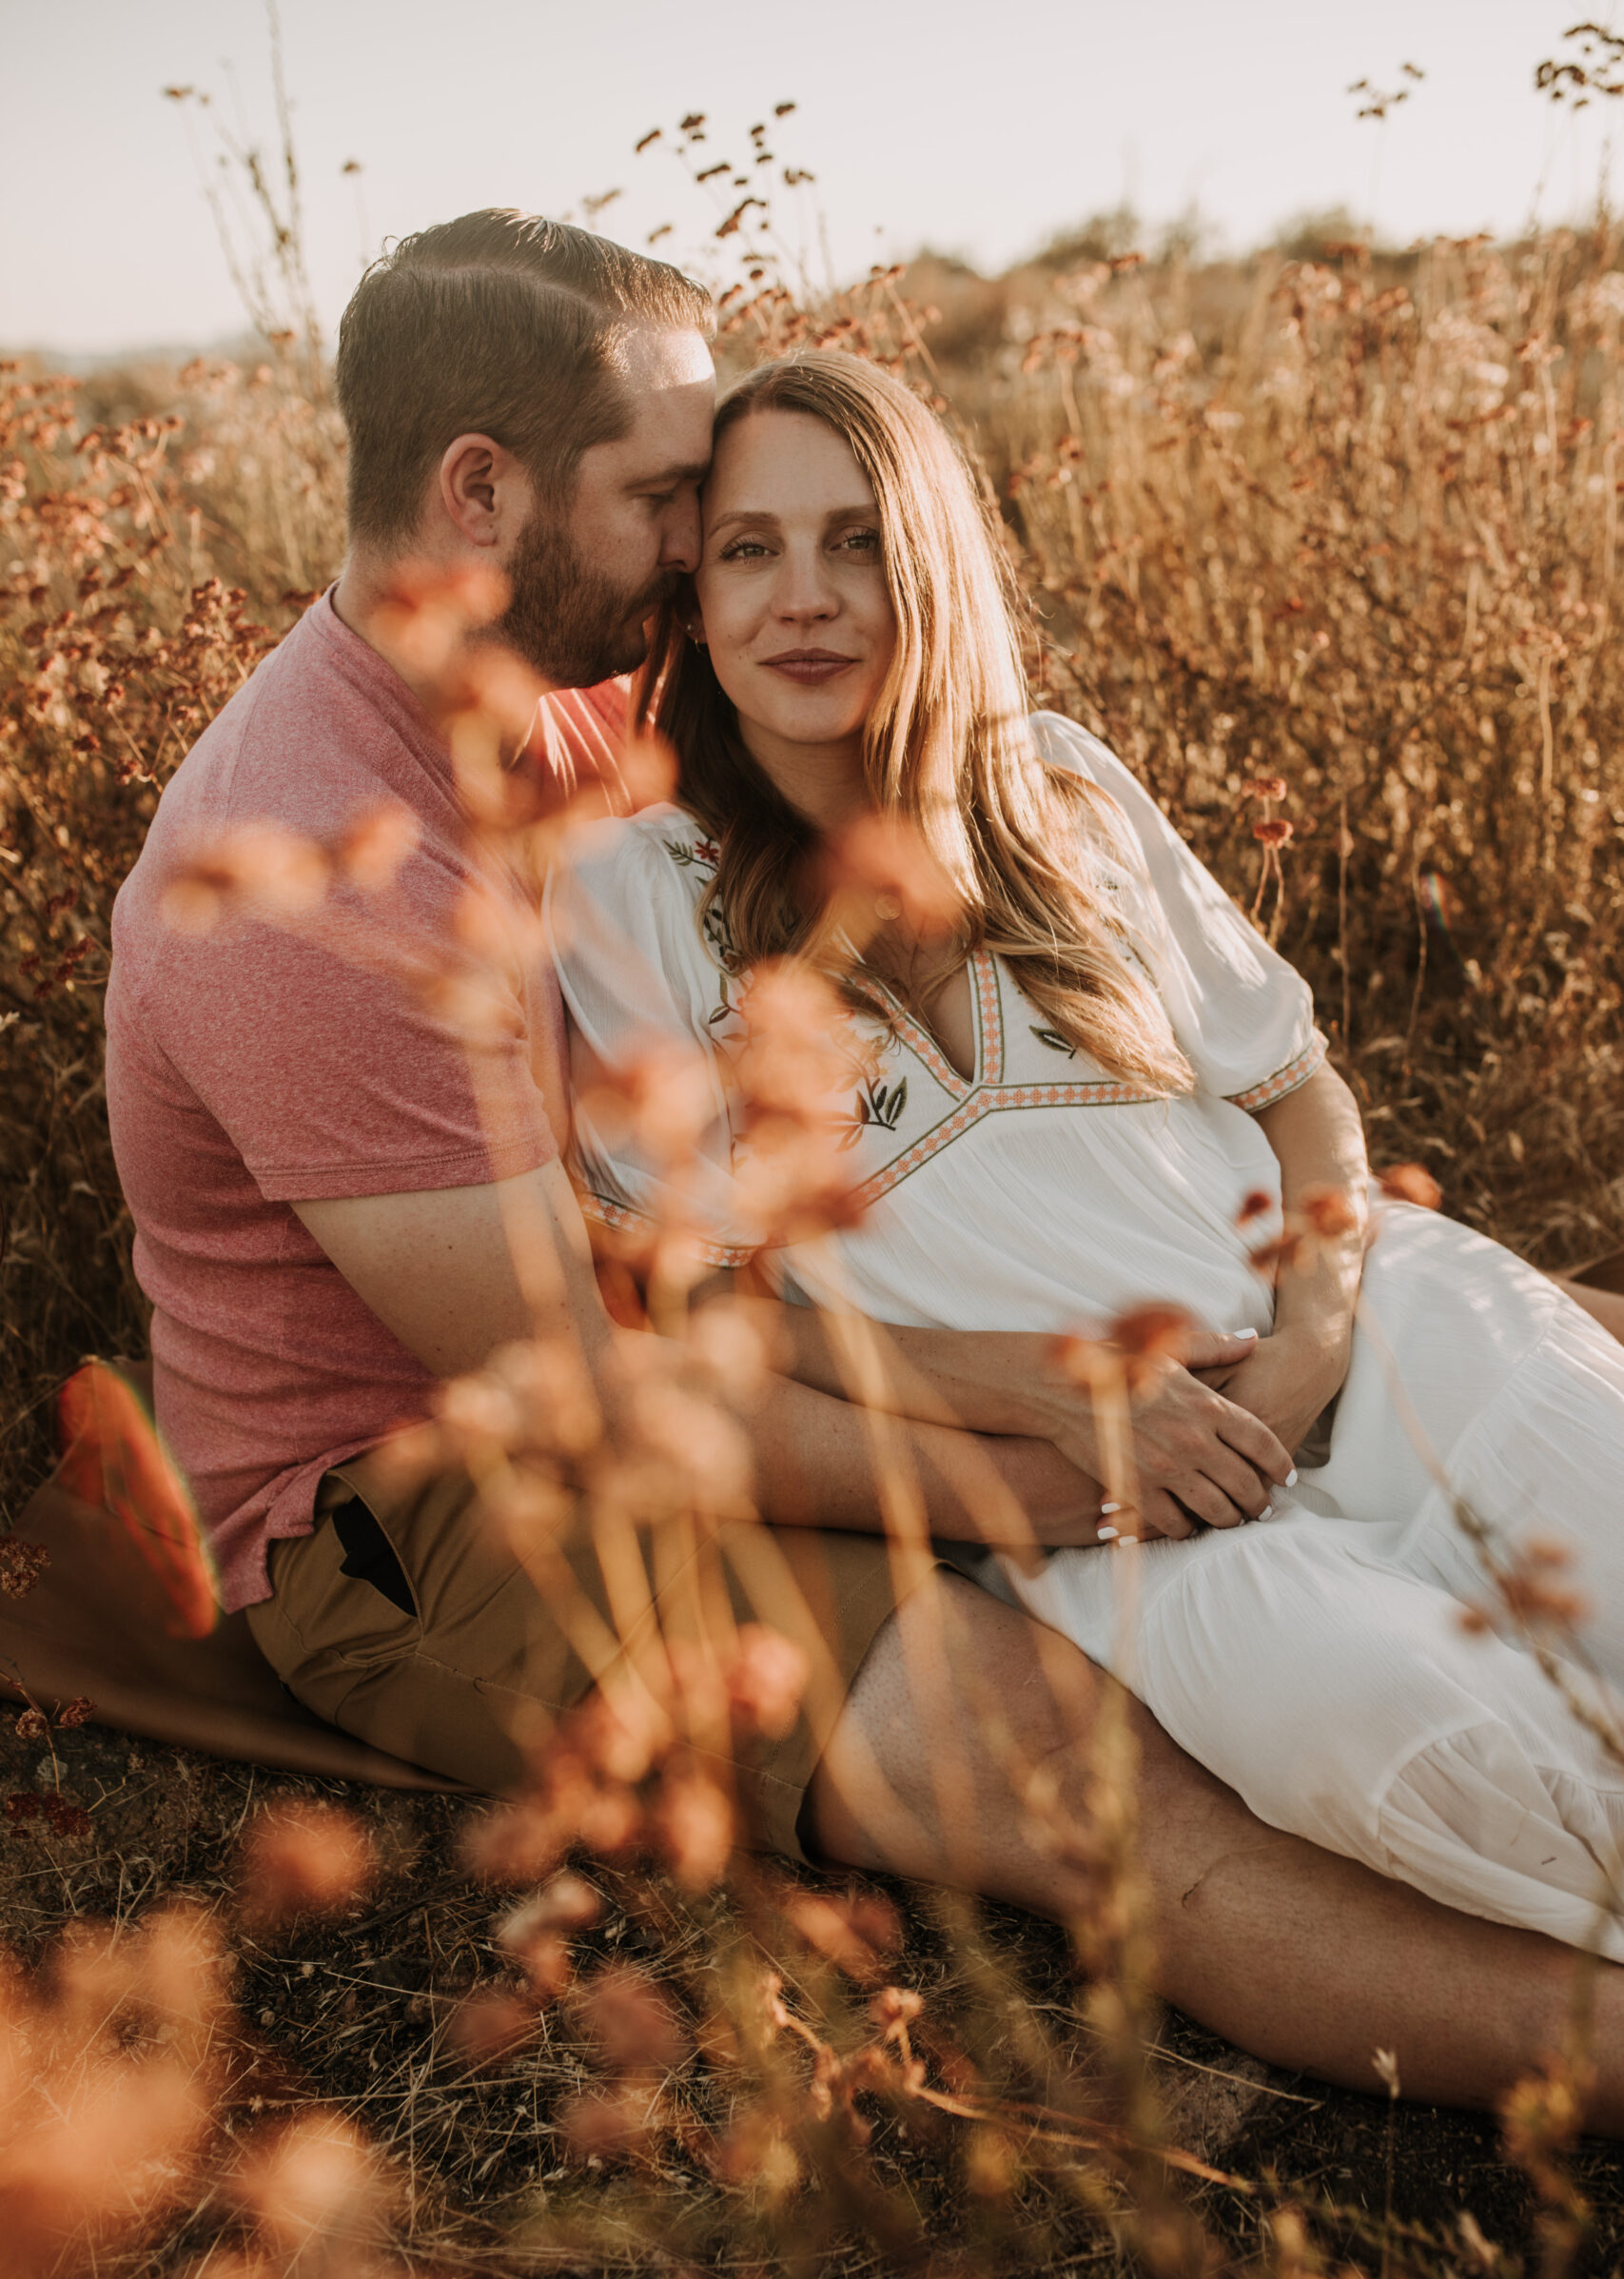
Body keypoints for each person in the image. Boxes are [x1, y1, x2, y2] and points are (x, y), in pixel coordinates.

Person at [102, 210, 1624, 2126]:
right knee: (1060, 1751)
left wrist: (1276, 1325)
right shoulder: (308, 885)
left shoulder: (596, 677)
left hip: (784, 1347)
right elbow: (596, 1397)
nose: (706, 553)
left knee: (1509, 1332)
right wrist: (1067, 1459)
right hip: (437, 1492)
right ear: (480, 490)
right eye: (678, 500)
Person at [547, 346, 1624, 2084]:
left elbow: (1298, 1092)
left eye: (858, 545)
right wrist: (1029, 1390)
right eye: (750, 549)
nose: (806, 602)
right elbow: (713, 1302)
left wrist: (1317, 1332)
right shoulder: (630, 892)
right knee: (1442, 1765)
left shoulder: (1053, 783)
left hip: (1384, 1335)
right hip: (1125, 1512)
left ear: (937, 565)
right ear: (696, 586)